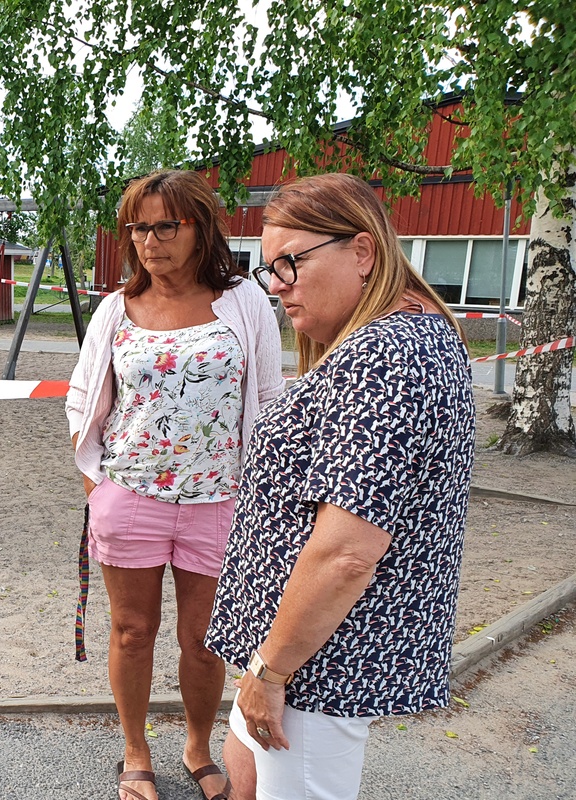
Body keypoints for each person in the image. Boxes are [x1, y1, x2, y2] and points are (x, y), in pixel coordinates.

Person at [204, 173, 476, 800]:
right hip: (292, 652)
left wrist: (273, 672)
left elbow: (348, 552)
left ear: (361, 252)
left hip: (316, 666)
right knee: (242, 783)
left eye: (289, 264)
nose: (275, 286)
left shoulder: (390, 356)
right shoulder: (395, 342)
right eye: (268, 268)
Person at [66, 170, 284, 800]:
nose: (150, 240)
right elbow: (83, 400)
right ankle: (135, 751)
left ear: (200, 228)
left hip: (220, 502)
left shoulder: (242, 301)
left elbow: (268, 399)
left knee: (203, 638)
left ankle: (195, 743)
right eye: (139, 227)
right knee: (133, 630)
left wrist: (262, 495)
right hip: (128, 497)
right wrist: (95, 487)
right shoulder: (116, 309)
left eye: (166, 225)